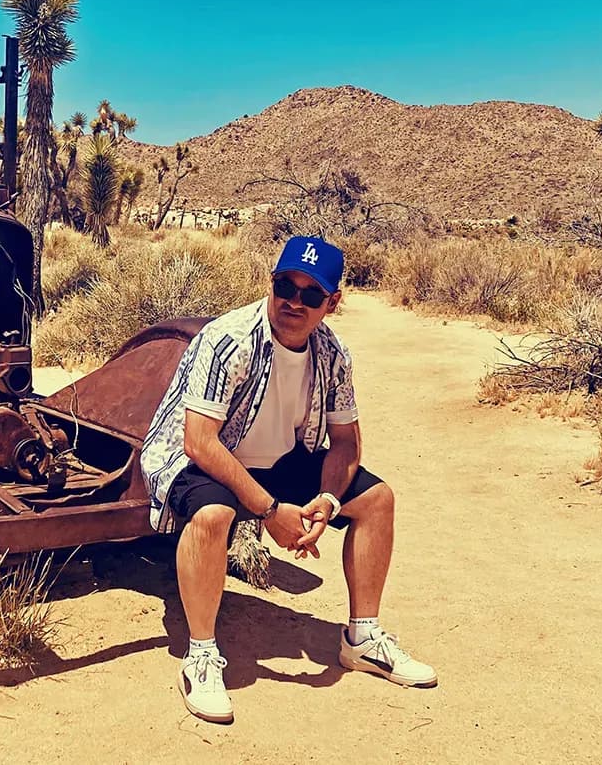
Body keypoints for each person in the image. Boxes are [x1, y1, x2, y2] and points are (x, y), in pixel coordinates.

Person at [140, 235, 437, 724]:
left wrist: (328, 499)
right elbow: (200, 442)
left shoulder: (332, 354)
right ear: (271, 284)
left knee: (377, 499)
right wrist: (269, 512)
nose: (294, 302)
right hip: (201, 457)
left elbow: (345, 442)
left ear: (331, 303)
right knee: (213, 513)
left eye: (311, 294)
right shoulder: (228, 340)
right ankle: (201, 656)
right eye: (286, 286)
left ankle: (362, 638)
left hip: (277, 459)